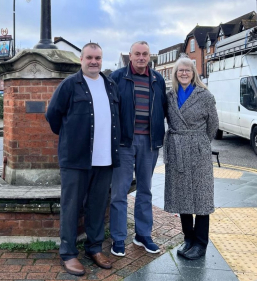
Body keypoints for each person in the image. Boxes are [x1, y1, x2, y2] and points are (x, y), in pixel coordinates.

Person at [46, 43, 120, 276]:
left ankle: (94, 248)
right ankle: (68, 253)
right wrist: (72, 139)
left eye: (98, 57)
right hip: (75, 159)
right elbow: (53, 115)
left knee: (97, 207)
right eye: (89, 57)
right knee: (71, 207)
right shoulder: (70, 85)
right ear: (81, 59)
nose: (94, 61)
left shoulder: (110, 85)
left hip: (105, 159)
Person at [109, 41, 167, 256]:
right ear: (130, 56)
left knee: (145, 190)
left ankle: (143, 235)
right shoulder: (117, 77)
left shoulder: (157, 79)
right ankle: (118, 238)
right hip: (124, 142)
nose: (141, 57)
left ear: (149, 56)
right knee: (119, 192)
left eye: (145, 54)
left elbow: (164, 109)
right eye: (137, 54)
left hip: (149, 143)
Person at [164, 56, 218, 260]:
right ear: (175, 74)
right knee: (182, 195)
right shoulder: (170, 95)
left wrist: (200, 143)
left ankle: (201, 243)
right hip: (176, 148)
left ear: (194, 73)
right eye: (180, 70)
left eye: (187, 70)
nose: (184, 73)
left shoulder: (204, 95)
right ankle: (188, 238)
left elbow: (213, 125)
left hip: (198, 150)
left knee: (202, 197)